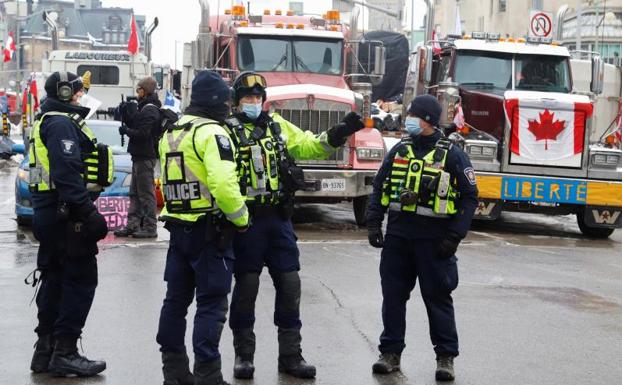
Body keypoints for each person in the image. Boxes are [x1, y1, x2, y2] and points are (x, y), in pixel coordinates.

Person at [225, 71, 365, 380]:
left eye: (257, 98)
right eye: (247, 98)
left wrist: (340, 132)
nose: (253, 103)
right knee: (246, 290)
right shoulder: (227, 133)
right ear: (236, 103)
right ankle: (243, 356)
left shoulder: (278, 126)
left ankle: (291, 356)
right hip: (246, 223)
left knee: (290, 286)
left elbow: (310, 146)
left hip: (278, 220)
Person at [366, 94, 478, 381]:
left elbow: (469, 196)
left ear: (427, 120)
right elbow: (379, 187)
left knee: (437, 298)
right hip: (399, 239)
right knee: (392, 298)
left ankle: (445, 357)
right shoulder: (399, 150)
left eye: (414, 115)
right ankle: (390, 353)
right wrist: (374, 223)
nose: (409, 120)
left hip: (435, 242)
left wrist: (454, 237)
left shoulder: (452, 155)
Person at [156, 70, 249, 385]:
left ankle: (175, 372)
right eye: (226, 99)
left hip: (177, 226)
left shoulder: (173, 130)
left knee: (175, 301)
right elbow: (223, 184)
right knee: (211, 304)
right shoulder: (214, 133)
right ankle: (208, 374)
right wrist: (242, 219)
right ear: (218, 100)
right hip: (209, 231)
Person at [28, 71, 111, 377]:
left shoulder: (46, 120)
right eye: (76, 91)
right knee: (79, 280)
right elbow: (65, 173)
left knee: (54, 278)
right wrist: (87, 213)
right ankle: (65, 351)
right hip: (66, 214)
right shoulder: (61, 122)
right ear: (64, 93)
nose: (80, 96)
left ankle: (45, 351)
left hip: (51, 212)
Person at [114, 76, 161, 238]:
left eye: (139, 89)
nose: (137, 92)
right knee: (134, 193)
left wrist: (126, 131)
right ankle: (132, 225)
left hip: (145, 156)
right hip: (138, 156)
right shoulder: (144, 108)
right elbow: (136, 124)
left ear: (146, 90)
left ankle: (149, 226)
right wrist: (125, 114)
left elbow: (143, 133)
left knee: (146, 193)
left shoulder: (150, 109)